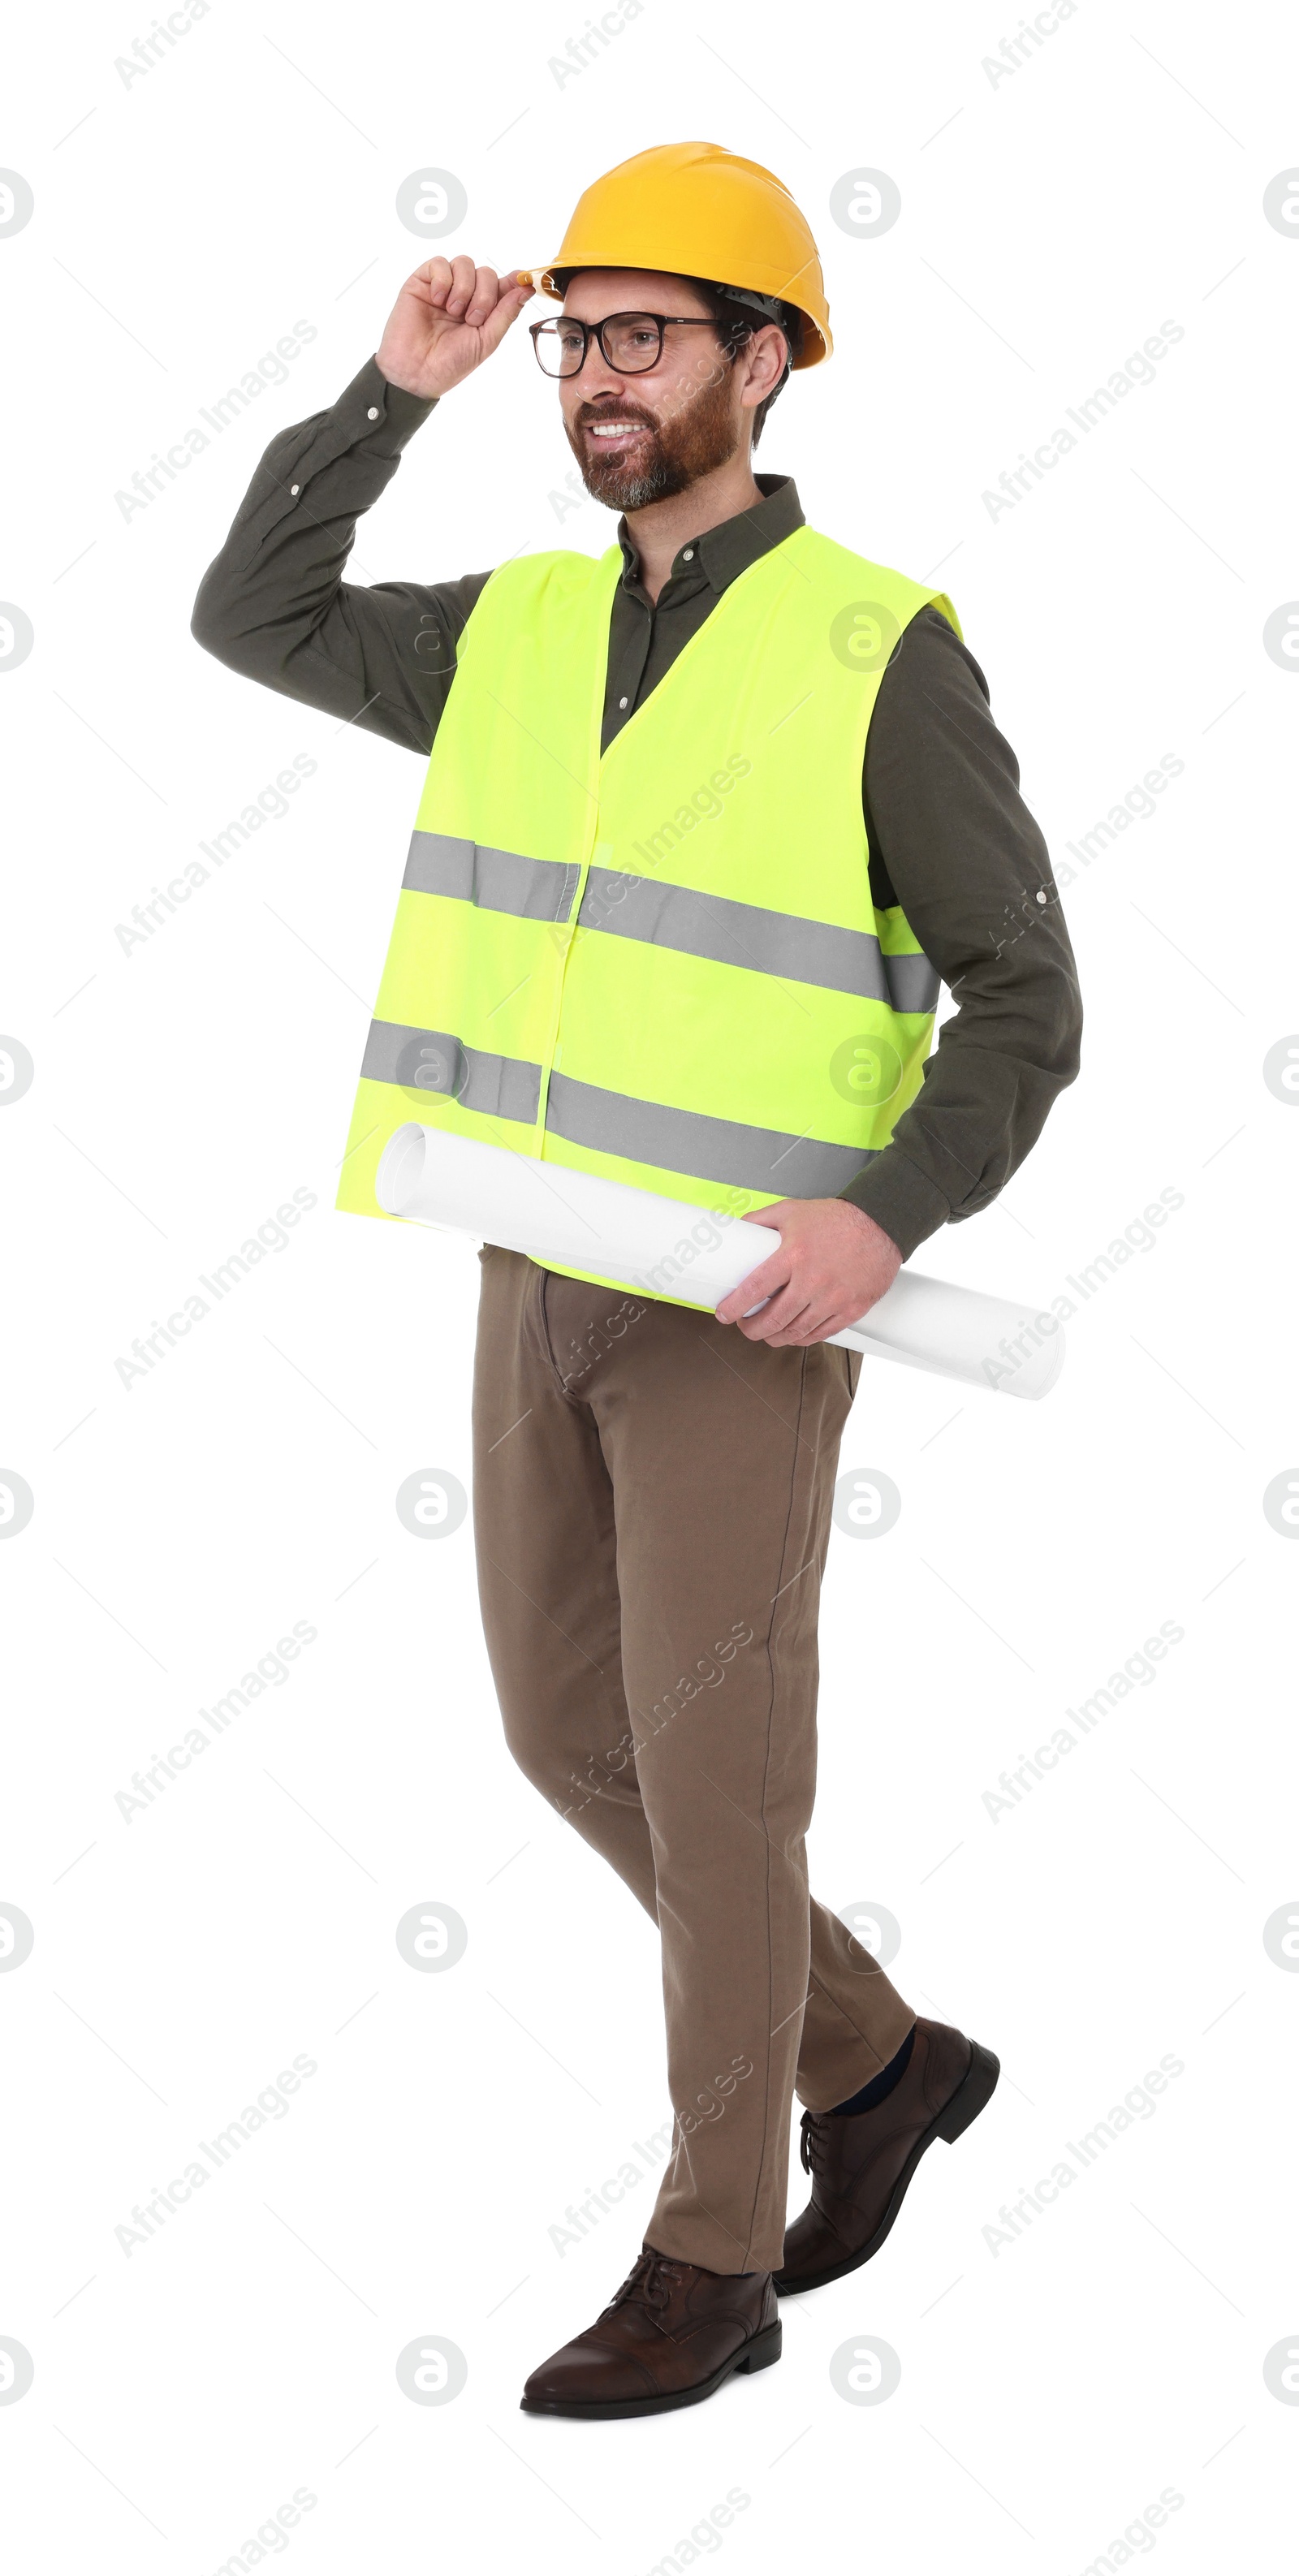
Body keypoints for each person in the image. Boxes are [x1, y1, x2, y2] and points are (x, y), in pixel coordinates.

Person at [192, 140, 1082, 2423]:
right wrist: (388, 394)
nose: (596, 378)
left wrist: (881, 1218)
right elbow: (256, 617)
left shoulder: (877, 644)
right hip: (535, 1257)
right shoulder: (510, 630)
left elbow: (1024, 998)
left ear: (767, 362)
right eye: (580, 338)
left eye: (646, 337)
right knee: (558, 1729)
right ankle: (879, 2060)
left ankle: (715, 2261)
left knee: (716, 1785)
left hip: (744, 1311)